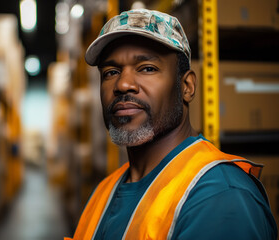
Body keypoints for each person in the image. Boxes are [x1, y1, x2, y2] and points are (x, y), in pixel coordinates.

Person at [65, 9, 278, 240]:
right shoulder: (104, 192)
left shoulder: (220, 197)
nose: (123, 84)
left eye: (147, 68)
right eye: (111, 72)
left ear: (186, 86)